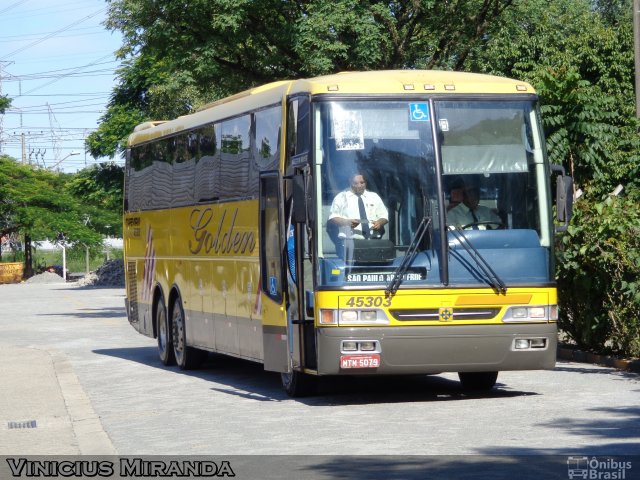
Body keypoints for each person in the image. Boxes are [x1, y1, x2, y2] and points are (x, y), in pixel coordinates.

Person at [328, 174, 388, 244]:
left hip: (373, 241)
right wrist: (346, 222)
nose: (359, 186)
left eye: (362, 183)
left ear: (366, 183)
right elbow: (333, 217)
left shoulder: (374, 196)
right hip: (349, 241)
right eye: (355, 183)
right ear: (350, 182)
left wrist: (379, 223)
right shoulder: (341, 197)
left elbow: (384, 216)